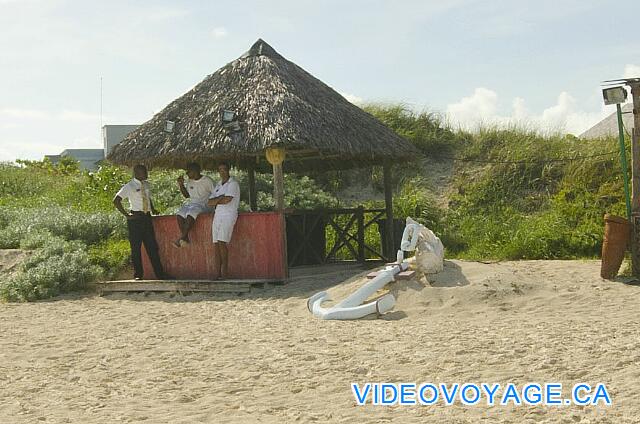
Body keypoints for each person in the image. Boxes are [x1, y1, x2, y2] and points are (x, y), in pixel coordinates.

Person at [113, 164, 172, 280]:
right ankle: (138, 275)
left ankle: (160, 274)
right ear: (136, 173)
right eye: (143, 172)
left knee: (152, 246)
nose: (146, 174)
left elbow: (147, 197)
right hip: (136, 218)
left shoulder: (146, 184)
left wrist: (152, 208)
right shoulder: (129, 186)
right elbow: (116, 200)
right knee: (136, 248)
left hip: (146, 217)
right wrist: (126, 215)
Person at [207, 162, 240, 279]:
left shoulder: (233, 184)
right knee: (216, 243)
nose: (222, 172)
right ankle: (217, 273)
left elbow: (227, 200)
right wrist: (220, 198)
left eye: (224, 169)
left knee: (222, 242)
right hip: (218, 215)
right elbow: (209, 202)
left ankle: (224, 272)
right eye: (220, 170)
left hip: (229, 214)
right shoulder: (218, 186)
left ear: (228, 170)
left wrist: (217, 200)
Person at [174, 162, 215, 247]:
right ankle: (185, 238)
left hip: (205, 205)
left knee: (191, 213)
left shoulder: (207, 180)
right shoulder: (190, 181)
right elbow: (187, 196)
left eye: (188, 171)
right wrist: (181, 185)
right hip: (193, 204)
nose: (187, 173)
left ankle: (183, 237)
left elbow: (216, 193)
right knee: (179, 214)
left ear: (195, 171)